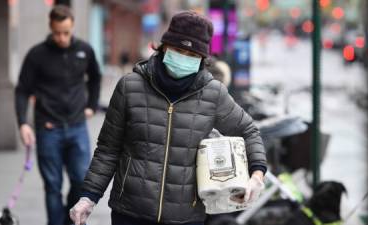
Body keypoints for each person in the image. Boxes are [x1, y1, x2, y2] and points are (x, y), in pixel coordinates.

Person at [70, 11, 267, 225]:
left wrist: (257, 175)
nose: (184, 58)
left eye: (192, 55)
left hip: (185, 216)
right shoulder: (130, 87)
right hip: (130, 211)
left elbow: (249, 131)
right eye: (178, 50)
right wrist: (88, 196)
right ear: (164, 47)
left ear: (203, 59)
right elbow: (108, 149)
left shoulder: (213, 94)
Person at [14, 5, 101, 225]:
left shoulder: (85, 50)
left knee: (81, 181)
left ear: (72, 28)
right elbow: (23, 89)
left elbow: (96, 77)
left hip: (77, 126)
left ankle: (69, 221)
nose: (61, 38)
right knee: (52, 187)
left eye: (66, 32)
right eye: (57, 33)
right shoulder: (37, 54)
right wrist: (23, 123)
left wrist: (91, 105)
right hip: (48, 129)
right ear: (50, 28)